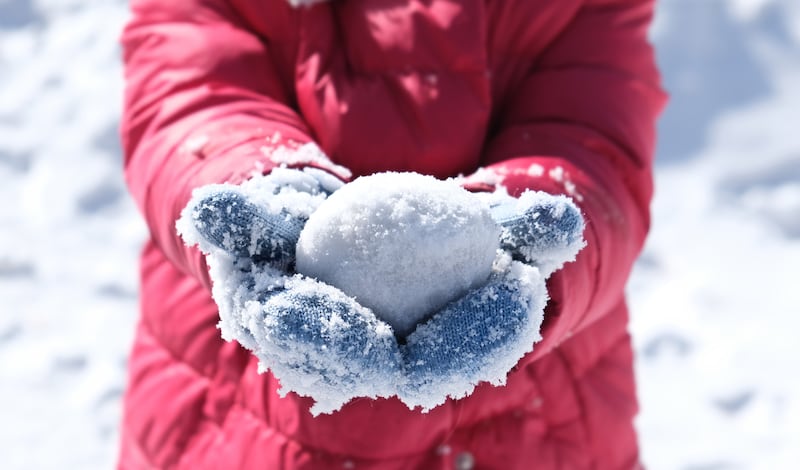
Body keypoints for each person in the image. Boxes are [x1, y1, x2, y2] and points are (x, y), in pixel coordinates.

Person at [118, 0, 666, 468]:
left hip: (534, 414)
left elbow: (593, 135)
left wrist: (532, 217)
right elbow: (190, 91)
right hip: (248, 397)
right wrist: (264, 182)